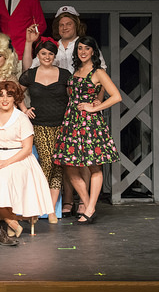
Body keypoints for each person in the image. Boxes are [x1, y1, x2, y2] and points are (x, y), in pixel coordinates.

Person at [23, 5, 106, 217]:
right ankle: (68, 201)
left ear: (76, 25)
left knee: (85, 160)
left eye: (69, 23)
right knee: (66, 160)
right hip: (65, 111)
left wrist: (97, 101)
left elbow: (101, 76)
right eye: (61, 24)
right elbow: (29, 72)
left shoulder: (85, 45)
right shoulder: (53, 46)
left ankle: (84, 202)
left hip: (82, 111)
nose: (64, 27)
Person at [0, 81, 56, 237]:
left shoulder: (21, 118)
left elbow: (27, 149)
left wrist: (5, 163)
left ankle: (11, 219)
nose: (4, 99)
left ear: (15, 98)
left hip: (19, 158)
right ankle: (12, 221)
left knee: (1, 181)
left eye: (9, 95)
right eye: (1, 95)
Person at [52, 36, 122, 224]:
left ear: (93, 51)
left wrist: (94, 107)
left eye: (87, 48)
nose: (83, 52)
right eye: (80, 48)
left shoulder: (98, 72)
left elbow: (116, 96)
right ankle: (87, 203)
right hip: (72, 121)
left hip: (90, 123)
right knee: (69, 166)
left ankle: (90, 208)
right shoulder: (76, 70)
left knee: (94, 166)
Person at [19, 38, 71, 219]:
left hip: (62, 125)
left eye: (50, 53)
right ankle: (36, 203)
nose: (47, 56)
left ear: (54, 56)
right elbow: (16, 92)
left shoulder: (64, 75)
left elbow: (73, 97)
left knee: (58, 165)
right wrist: (24, 109)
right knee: (47, 162)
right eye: (43, 53)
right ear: (38, 55)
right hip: (40, 124)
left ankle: (49, 210)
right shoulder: (30, 75)